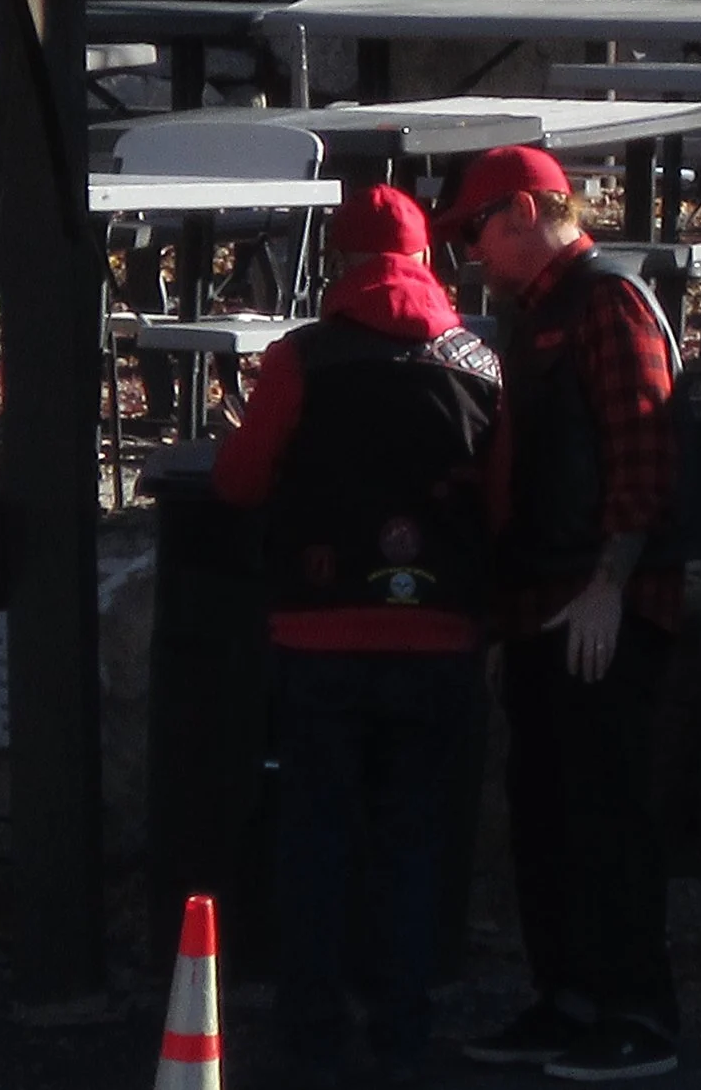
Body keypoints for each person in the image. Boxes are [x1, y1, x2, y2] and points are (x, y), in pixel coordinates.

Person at [211, 183, 503, 1088]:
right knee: (413, 838)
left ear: (340, 263)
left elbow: (240, 481)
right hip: (439, 631)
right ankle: (404, 1028)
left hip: (318, 628)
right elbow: (504, 499)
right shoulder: (478, 361)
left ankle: (312, 1031)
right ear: (425, 260)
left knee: (317, 836)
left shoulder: (302, 357)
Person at [440, 146, 684, 1083]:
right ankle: (571, 997)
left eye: (480, 228)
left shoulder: (606, 303)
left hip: (600, 604)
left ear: (532, 210)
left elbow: (643, 447)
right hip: (547, 603)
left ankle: (638, 1011)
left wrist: (610, 583)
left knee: (609, 811)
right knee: (544, 812)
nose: (472, 250)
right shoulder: (538, 312)